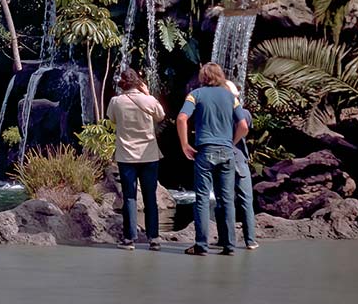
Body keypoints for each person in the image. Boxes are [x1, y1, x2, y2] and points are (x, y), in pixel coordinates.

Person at [177, 63, 249, 256]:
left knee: (201, 198)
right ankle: (230, 246)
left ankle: (201, 245)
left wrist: (185, 144)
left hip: (205, 151)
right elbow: (243, 126)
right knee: (226, 199)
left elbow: (182, 118)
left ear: (203, 77)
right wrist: (231, 142)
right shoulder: (231, 98)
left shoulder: (196, 94)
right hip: (226, 152)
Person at [107, 68, 166, 251]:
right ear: (138, 83)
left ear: (122, 83)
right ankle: (154, 238)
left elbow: (112, 119)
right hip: (149, 156)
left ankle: (129, 239)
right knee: (150, 196)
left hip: (126, 156)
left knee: (130, 197)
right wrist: (147, 94)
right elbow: (161, 116)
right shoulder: (149, 100)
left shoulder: (116, 102)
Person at [224, 81, 259, 250]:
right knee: (246, 200)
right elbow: (246, 128)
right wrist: (234, 142)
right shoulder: (244, 113)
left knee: (224, 200)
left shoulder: (218, 113)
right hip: (239, 159)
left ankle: (226, 239)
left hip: (222, 158)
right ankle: (250, 240)